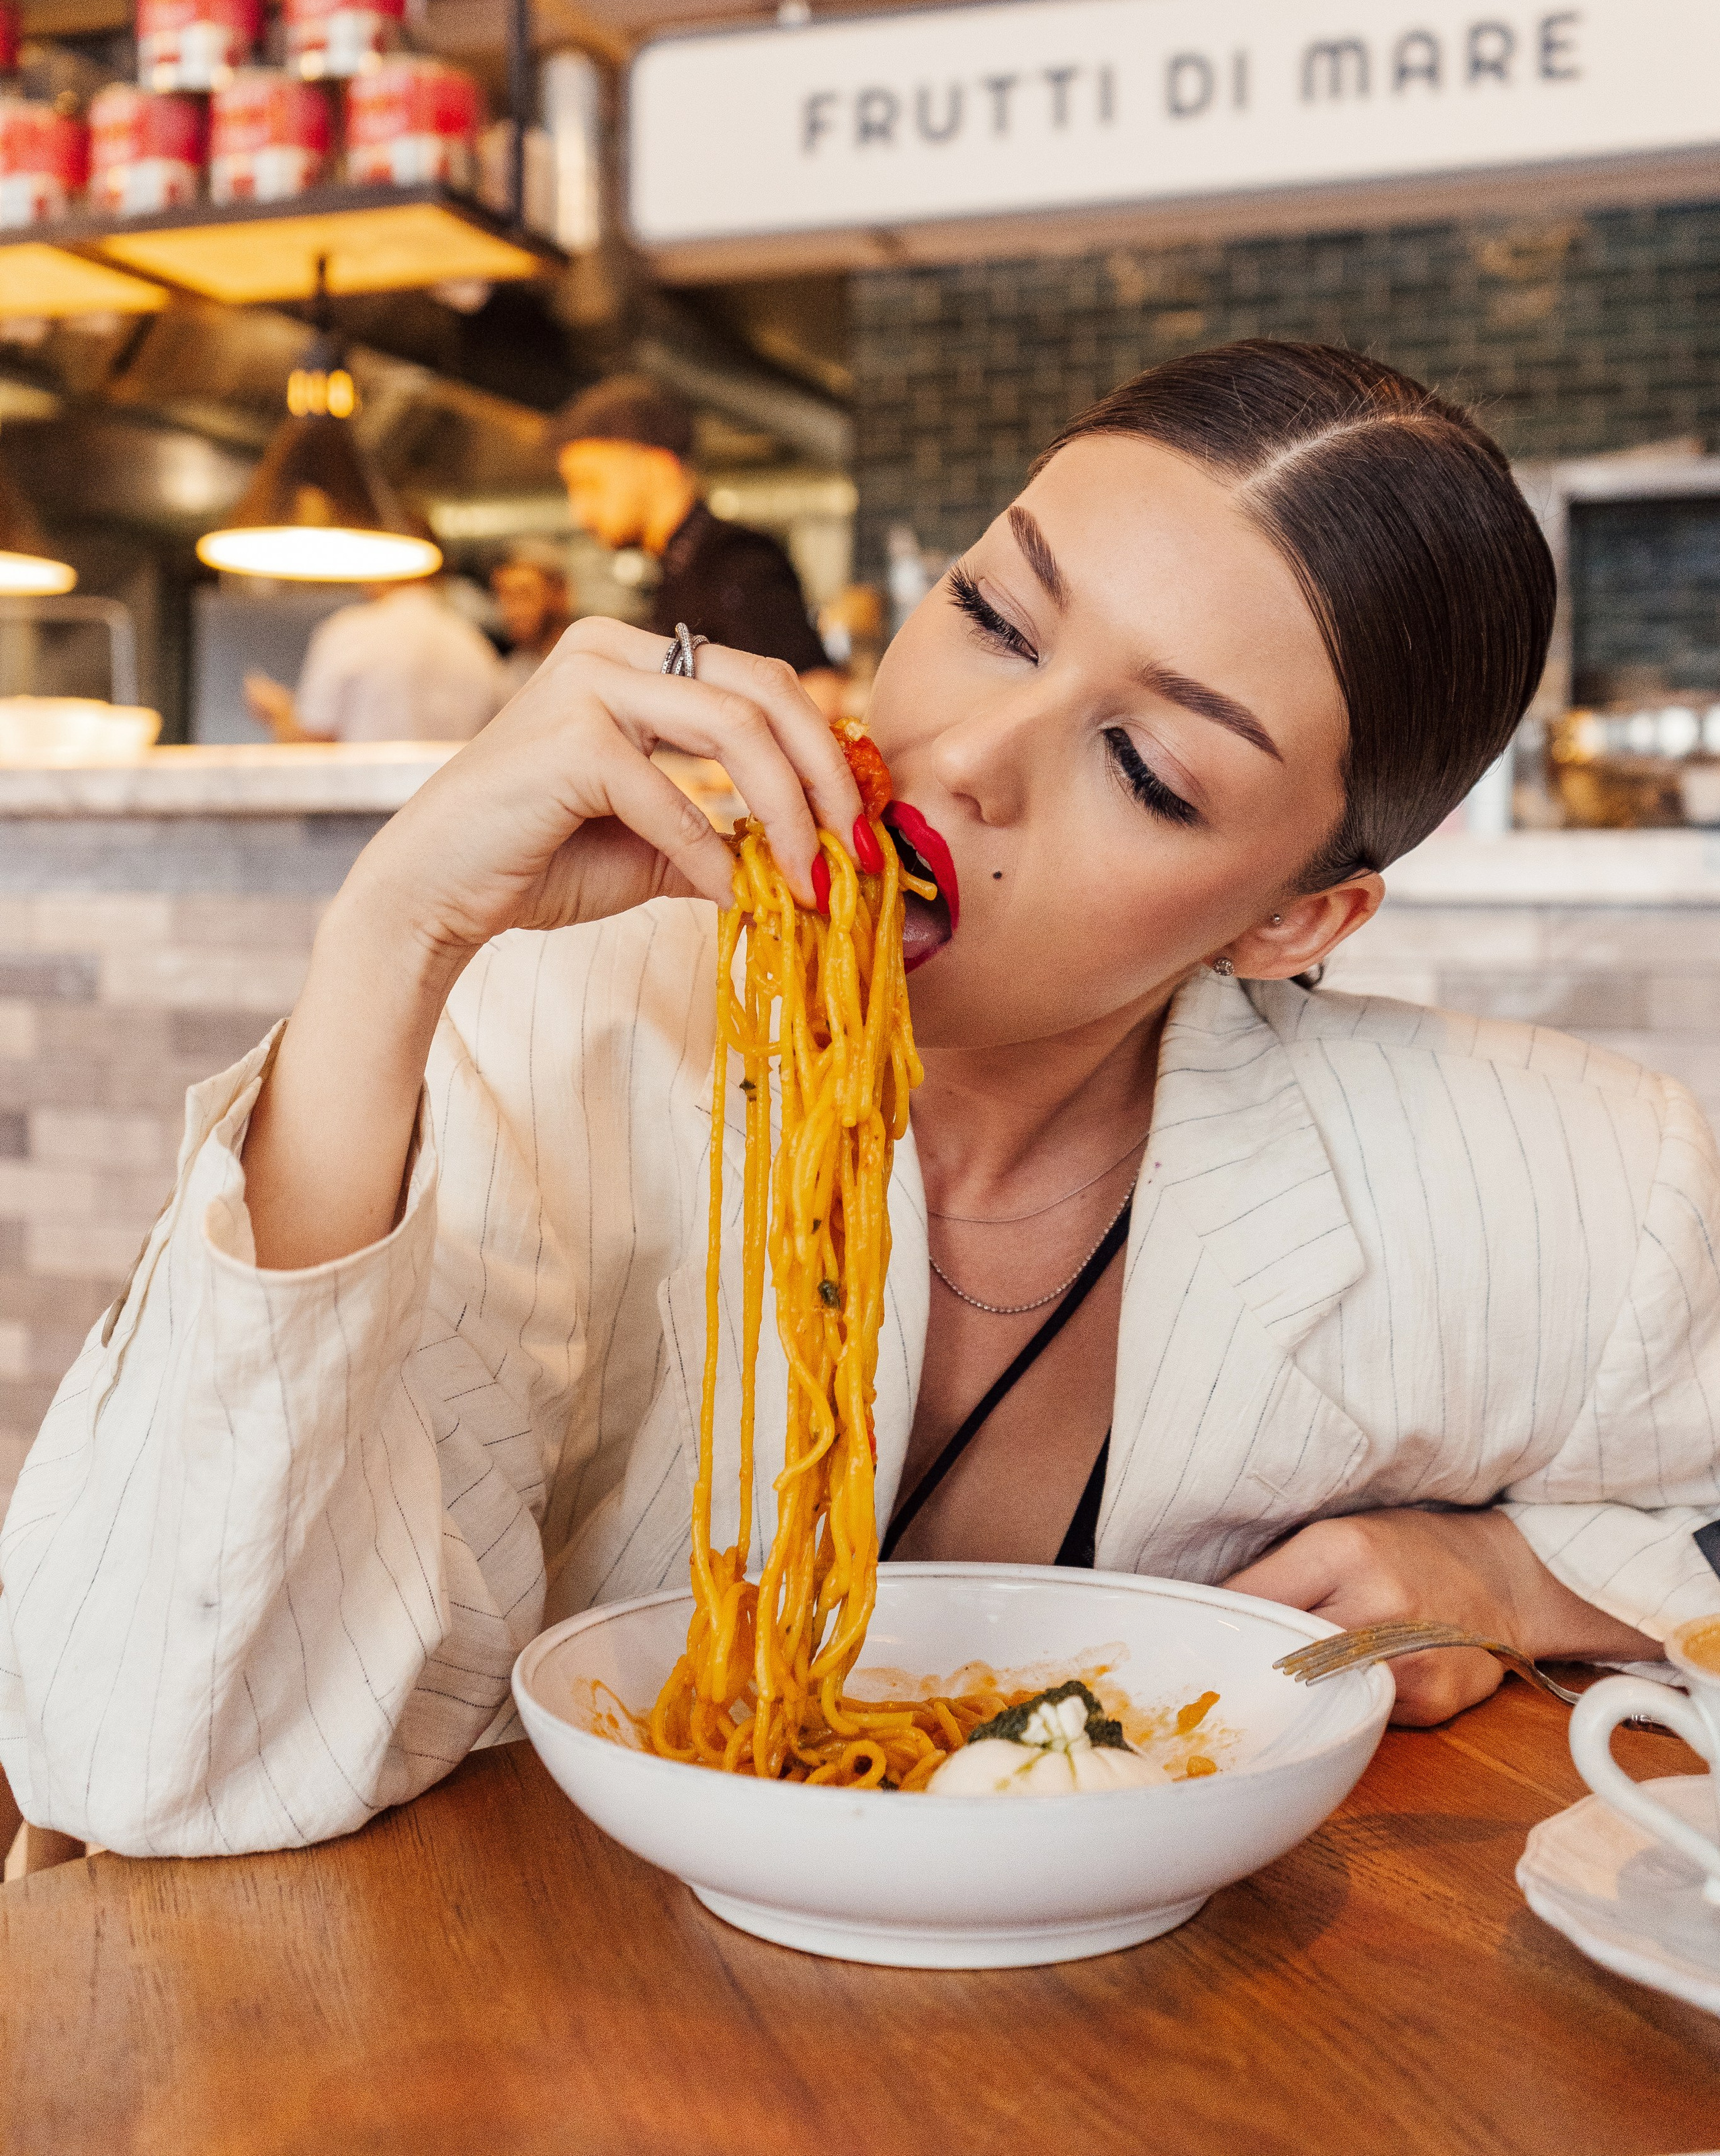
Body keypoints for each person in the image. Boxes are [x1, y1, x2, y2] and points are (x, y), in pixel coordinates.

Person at [7, 340, 1719, 1861]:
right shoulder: (551, 1038)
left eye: (1147, 767)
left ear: (1293, 918)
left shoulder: (1556, 1178)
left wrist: (1511, 1581)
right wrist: (388, 940)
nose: (969, 751)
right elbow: (144, 1751)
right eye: (989, 617)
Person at [554, 374, 832, 679]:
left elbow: (816, 687)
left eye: (589, 483)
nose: (579, 512)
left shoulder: (734, 558)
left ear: (658, 466)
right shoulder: (678, 567)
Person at [244, 575, 503, 745]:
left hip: (361, 821)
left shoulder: (351, 630)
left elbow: (313, 746)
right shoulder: (476, 645)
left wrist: (279, 712)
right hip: (451, 818)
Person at [489, 540, 572, 697]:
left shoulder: (590, 657)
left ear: (560, 594)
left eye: (523, 595)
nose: (512, 612)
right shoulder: (508, 675)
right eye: (504, 597)